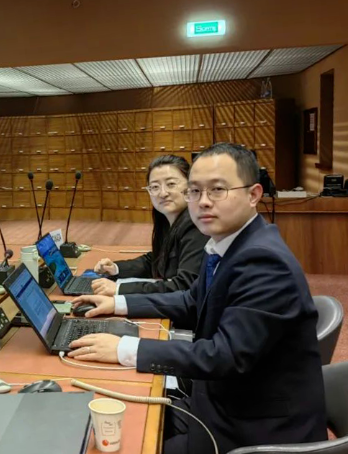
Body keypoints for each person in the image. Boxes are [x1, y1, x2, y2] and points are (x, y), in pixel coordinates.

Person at [68, 143, 327, 454]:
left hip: (253, 429)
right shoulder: (226, 244)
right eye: (195, 191)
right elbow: (191, 301)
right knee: (122, 413)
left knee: (129, 440)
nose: (203, 201)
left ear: (254, 194)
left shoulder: (264, 262)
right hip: (222, 399)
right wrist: (118, 304)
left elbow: (224, 356)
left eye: (217, 189)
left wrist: (126, 348)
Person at [92, 155, 207, 297]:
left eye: (171, 184)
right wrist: (115, 268)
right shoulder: (167, 220)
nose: (163, 193)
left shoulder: (196, 225)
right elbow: (157, 259)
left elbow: (184, 286)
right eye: (155, 187)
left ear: (190, 186)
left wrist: (119, 289)